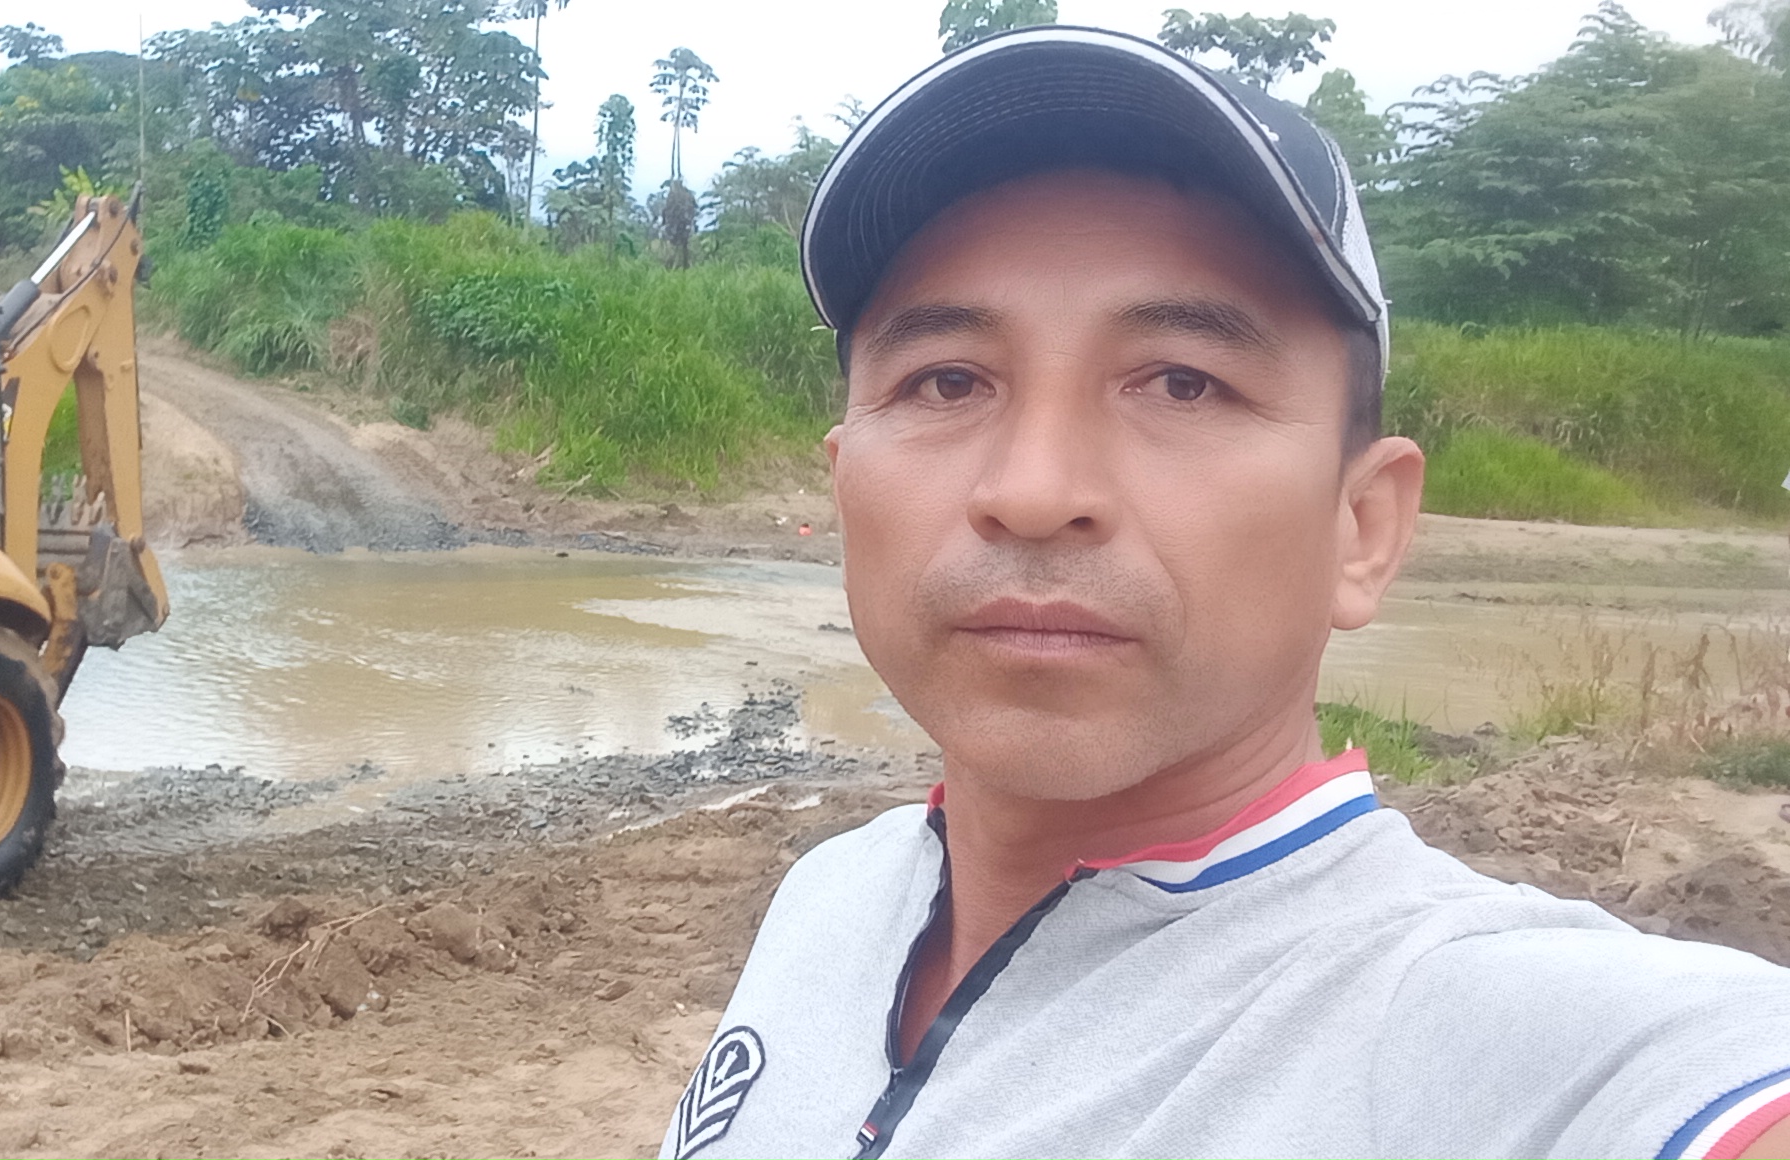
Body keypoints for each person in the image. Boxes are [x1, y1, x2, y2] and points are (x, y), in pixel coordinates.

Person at [659, 26, 1790, 1160]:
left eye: (1183, 383)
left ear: (1362, 528)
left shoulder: (1507, 1045)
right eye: (946, 381)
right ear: (843, 484)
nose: (1034, 492)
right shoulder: (829, 898)